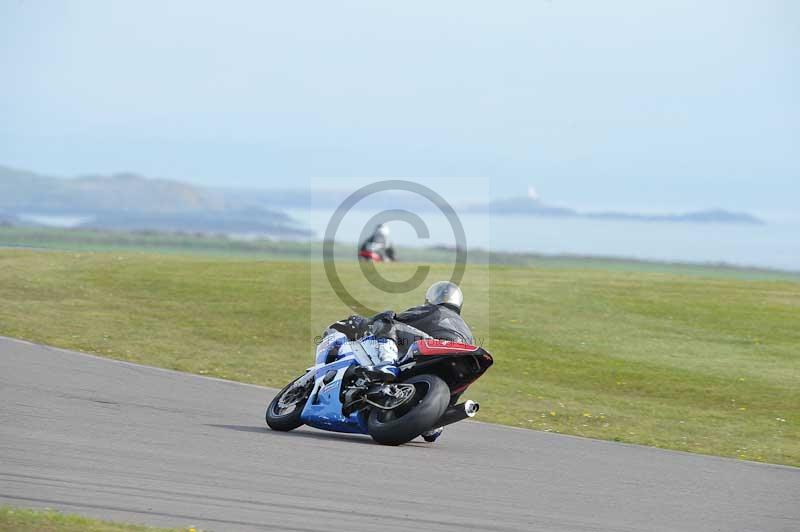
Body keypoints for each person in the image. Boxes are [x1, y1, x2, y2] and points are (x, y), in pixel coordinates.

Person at [320, 281, 472, 441]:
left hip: (431, 345)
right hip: (456, 358)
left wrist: (367, 322)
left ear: (432, 297)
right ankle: (438, 419)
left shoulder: (433, 310)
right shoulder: (466, 329)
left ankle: (387, 363)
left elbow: (400, 320)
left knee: (386, 320)